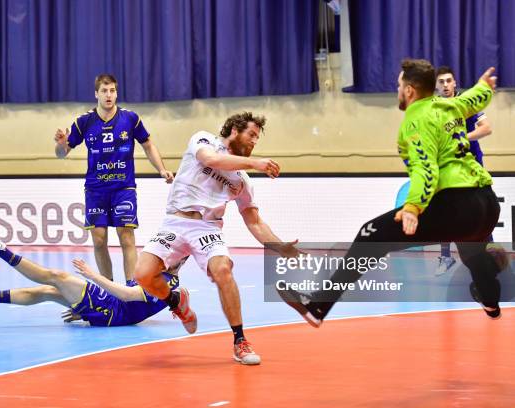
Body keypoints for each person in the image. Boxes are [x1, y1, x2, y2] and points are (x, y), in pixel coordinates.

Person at [279, 61, 501, 326]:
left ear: (409, 90)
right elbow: (472, 101)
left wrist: (413, 207)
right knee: (472, 252)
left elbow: (424, 168)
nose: (397, 90)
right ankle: (490, 298)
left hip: (458, 205)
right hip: (487, 204)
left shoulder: (415, 121)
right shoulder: (449, 106)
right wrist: (484, 87)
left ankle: (318, 305)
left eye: (398, 85)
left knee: (371, 232)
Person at [133, 112, 299, 365]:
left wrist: (280, 247)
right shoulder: (204, 140)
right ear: (234, 130)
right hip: (175, 222)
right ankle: (176, 301)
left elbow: (253, 221)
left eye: (257, 137)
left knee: (223, 269)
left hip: (207, 227)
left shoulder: (242, 181)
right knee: (143, 275)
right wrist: (254, 163)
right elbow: (211, 159)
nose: (254, 141)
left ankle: (240, 340)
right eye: (251, 135)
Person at [54, 74, 174, 282]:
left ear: (116, 93)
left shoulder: (130, 119)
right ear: (96, 94)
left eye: (112, 91)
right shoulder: (84, 122)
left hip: (123, 188)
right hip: (96, 189)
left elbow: (148, 145)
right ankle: (109, 288)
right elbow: (61, 153)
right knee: (99, 240)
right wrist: (61, 144)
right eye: (104, 91)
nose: (108, 95)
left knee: (126, 236)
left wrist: (161, 170)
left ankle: (130, 288)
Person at [0, 221, 183, 327]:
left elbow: (127, 295)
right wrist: (87, 311)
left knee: (57, 276)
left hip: (111, 311)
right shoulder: (158, 270)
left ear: (180, 259)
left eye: (169, 250)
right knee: (48, 291)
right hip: (110, 309)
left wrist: (93, 276)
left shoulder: (166, 283)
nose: (163, 252)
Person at [434, 66, 493, 275]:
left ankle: (490, 253)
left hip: (472, 165)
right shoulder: (433, 108)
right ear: (436, 85)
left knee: (481, 209)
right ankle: (445, 256)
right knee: (445, 210)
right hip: (447, 167)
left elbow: (486, 128)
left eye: (448, 81)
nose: (445, 85)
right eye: (441, 82)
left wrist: (463, 137)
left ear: (455, 83)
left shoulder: (466, 103)